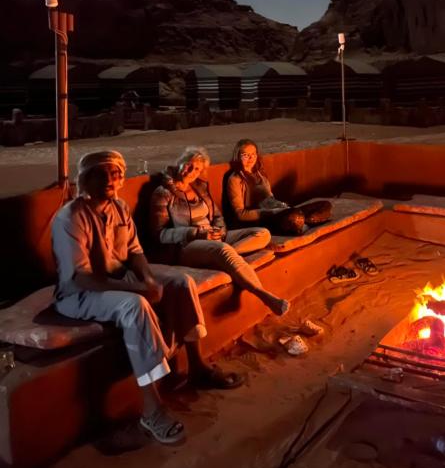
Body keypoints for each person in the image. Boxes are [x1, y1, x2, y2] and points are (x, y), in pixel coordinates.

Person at [51, 150, 242, 447]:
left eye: (116, 173)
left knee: (181, 282)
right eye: (102, 174)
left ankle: (198, 365)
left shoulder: (120, 208)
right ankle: (151, 409)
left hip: (118, 278)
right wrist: (141, 290)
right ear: (85, 180)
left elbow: (136, 252)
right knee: (135, 306)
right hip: (81, 293)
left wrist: (148, 279)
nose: (111, 179)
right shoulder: (71, 217)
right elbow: (81, 277)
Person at [149, 145, 289, 317]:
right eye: (188, 165)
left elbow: (217, 216)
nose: (191, 171)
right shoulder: (163, 193)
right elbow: (160, 234)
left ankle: (228, 256)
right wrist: (196, 233)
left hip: (213, 237)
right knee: (222, 249)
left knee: (262, 234)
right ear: (180, 163)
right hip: (187, 245)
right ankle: (263, 294)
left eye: (197, 169)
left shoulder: (199, 188)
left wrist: (220, 231)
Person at [223, 139, 332, 235]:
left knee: (325, 205)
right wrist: (270, 212)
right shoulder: (235, 179)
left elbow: (271, 200)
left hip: (276, 212)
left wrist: (281, 208)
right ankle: (303, 222)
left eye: (253, 154)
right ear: (238, 157)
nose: (251, 158)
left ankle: (303, 222)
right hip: (262, 219)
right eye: (246, 155)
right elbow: (240, 214)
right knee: (294, 217)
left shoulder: (260, 174)